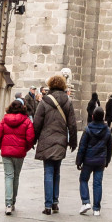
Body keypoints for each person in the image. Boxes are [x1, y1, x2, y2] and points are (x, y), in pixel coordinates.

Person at [33, 73, 77, 214]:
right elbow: (72, 124)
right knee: (57, 172)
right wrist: (73, 141)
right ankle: (55, 202)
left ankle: (47, 205)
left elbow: (37, 123)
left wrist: (33, 139)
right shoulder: (68, 101)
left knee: (48, 172)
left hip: (46, 139)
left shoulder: (44, 102)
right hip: (61, 140)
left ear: (50, 85)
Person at [0, 97, 35, 213]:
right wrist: (24, 149)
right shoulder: (26, 121)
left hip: (6, 152)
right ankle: (12, 202)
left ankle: (7, 204)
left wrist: (2, 147)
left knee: (8, 176)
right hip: (19, 153)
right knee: (15, 176)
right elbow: (30, 138)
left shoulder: (4, 119)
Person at [76, 102, 112, 216]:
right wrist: (107, 161)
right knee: (97, 183)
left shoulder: (88, 129)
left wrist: (79, 161)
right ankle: (96, 208)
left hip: (88, 159)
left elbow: (82, 146)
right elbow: (109, 147)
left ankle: (86, 201)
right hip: (100, 160)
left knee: (83, 180)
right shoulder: (107, 130)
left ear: (92, 116)